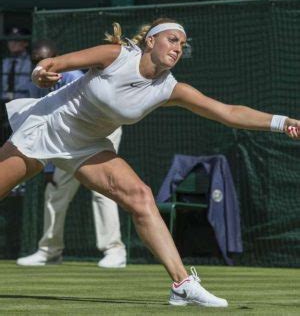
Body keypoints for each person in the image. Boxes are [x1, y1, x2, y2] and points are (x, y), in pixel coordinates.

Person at [1, 17, 300, 308]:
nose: (178, 48)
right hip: (46, 126)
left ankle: (182, 285)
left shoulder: (170, 89)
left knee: (141, 197)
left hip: (88, 146)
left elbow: (229, 112)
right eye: (172, 40)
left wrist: (282, 122)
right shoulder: (116, 55)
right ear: (151, 40)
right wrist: (41, 72)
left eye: (182, 44)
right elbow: (53, 64)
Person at [16, 40, 126, 268]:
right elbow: (40, 122)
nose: (40, 65)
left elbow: (89, 114)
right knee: (54, 191)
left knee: (103, 190)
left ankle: (114, 250)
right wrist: (48, 167)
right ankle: (50, 251)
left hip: (101, 129)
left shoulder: (74, 78)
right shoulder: (35, 84)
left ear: (55, 58)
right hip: (66, 136)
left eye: (43, 60)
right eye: (35, 61)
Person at [1, 27, 32, 101]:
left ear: (26, 43)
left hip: (24, 103)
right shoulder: (4, 62)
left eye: (17, 40)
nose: (12, 43)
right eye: (10, 40)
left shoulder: (31, 62)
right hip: (3, 102)